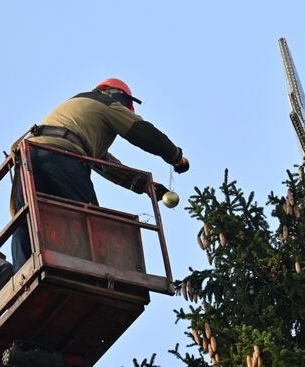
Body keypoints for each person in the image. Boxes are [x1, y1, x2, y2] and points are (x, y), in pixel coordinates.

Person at [10, 78, 189, 272]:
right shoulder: (106, 104)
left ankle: (22, 274)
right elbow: (142, 132)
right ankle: (95, 273)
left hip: (28, 159)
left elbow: (105, 163)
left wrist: (142, 184)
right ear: (118, 96)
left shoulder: (77, 112)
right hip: (60, 157)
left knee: (26, 220)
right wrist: (176, 156)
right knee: (88, 219)